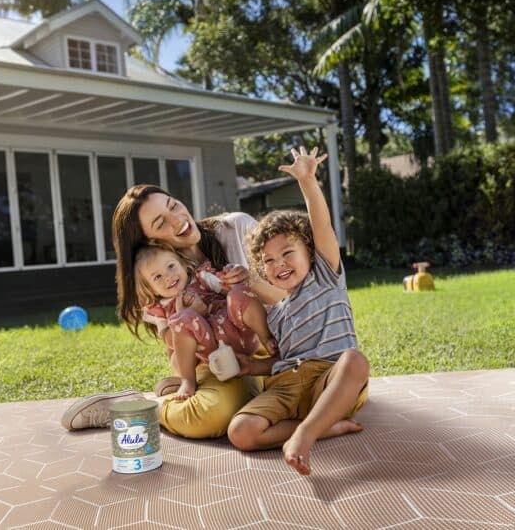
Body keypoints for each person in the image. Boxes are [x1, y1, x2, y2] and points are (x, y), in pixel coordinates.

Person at [61, 184, 284, 437]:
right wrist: (189, 317)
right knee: (210, 416)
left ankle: (208, 390)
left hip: (276, 345)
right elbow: (179, 357)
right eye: (161, 223)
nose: (178, 220)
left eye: (173, 206)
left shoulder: (237, 229)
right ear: (150, 242)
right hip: (220, 361)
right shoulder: (163, 283)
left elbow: (294, 295)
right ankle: (133, 409)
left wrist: (249, 281)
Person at [226, 147, 370, 476]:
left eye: (287, 253)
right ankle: (322, 427)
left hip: (330, 380)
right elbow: (250, 283)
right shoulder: (276, 308)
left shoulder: (326, 277)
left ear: (309, 250)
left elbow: (321, 225)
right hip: (286, 384)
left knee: (355, 360)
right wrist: (249, 365)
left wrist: (307, 182)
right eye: (269, 261)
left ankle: (304, 435)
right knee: (240, 432)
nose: (279, 265)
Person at [134, 243, 274, 400]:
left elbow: (231, 292)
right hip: (210, 349)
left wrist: (229, 279)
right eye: (157, 277)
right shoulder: (162, 308)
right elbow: (169, 340)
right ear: (151, 289)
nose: (168, 276)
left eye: (171, 266)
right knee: (183, 319)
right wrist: (182, 314)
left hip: (238, 330)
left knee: (239, 292)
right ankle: (188, 380)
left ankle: (267, 338)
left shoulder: (203, 278)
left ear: (184, 264)